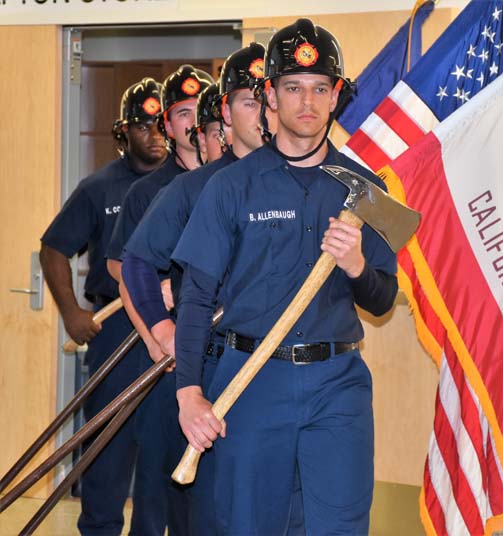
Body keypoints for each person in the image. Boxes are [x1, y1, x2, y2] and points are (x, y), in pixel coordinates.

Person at [173, 19, 398, 534]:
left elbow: (384, 300)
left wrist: (358, 266)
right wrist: (189, 394)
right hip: (250, 381)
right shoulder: (231, 187)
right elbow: (196, 298)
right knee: (250, 525)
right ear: (270, 95)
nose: (307, 102)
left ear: (336, 95)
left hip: (337, 387)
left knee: (339, 525)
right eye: (293, 88)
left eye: (321, 88)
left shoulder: (364, 190)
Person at [120, 43, 305, 535]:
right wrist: (161, 331)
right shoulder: (197, 187)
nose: (263, 112)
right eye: (249, 101)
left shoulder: (302, 179)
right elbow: (137, 262)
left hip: (282, 376)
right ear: (224, 112)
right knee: (200, 513)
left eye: (269, 99)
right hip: (205, 370)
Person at [39, 77, 167, 536]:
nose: (154, 133)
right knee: (107, 452)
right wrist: (72, 313)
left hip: (166, 325)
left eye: (160, 122)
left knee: (162, 448)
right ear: (122, 133)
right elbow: (53, 248)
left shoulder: (183, 183)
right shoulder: (99, 188)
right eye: (142, 125)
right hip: (115, 329)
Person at [107, 64, 213, 536]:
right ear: (167, 126)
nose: (192, 125)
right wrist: (153, 335)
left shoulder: (230, 183)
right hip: (163, 358)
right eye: (182, 114)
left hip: (216, 357)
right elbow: (125, 269)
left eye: (200, 113)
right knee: (153, 488)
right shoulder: (146, 191)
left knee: (203, 494)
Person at [190, 82, 228, 166]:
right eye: (219, 136)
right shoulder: (188, 179)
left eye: (236, 135)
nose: (227, 146)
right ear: (202, 140)